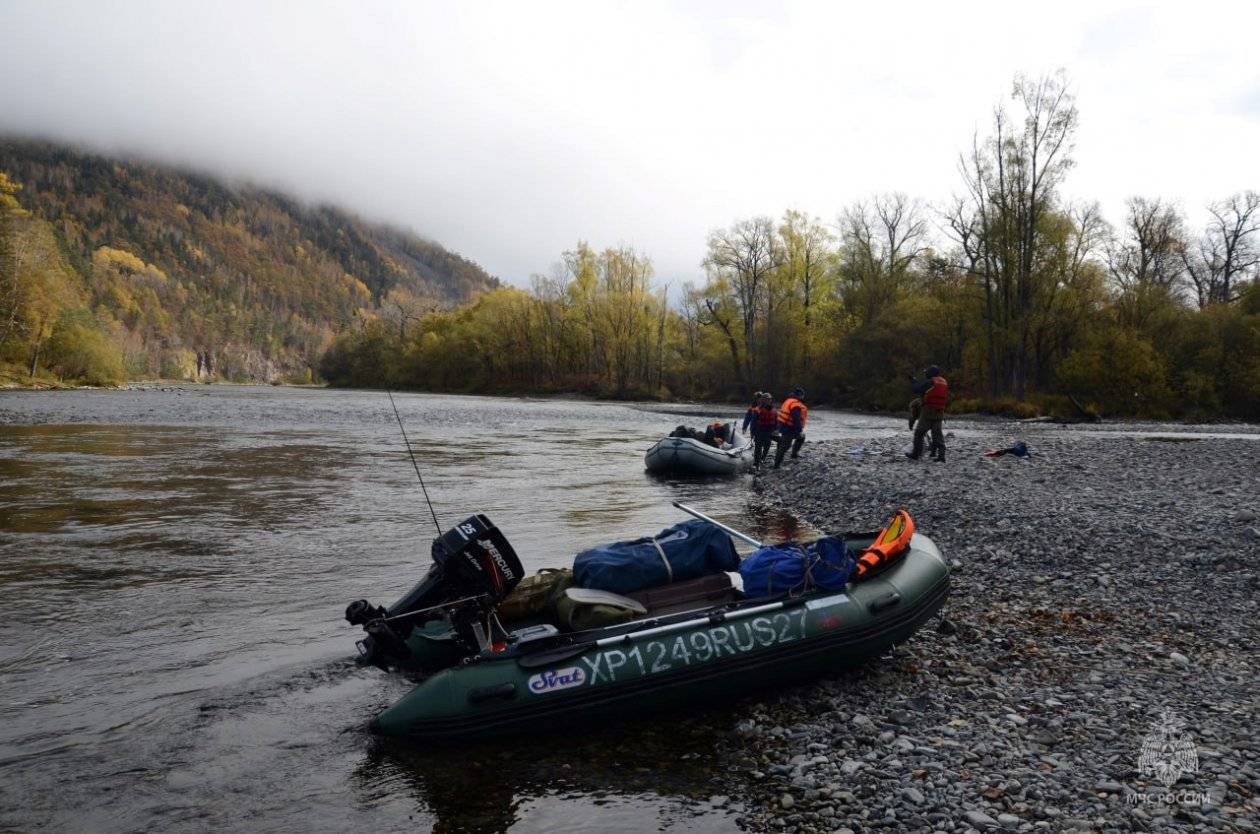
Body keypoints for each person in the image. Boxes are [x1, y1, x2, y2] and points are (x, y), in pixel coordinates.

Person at [907, 366, 947, 462]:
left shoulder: (930, 382)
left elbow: (916, 389)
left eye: (927, 372)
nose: (925, 374)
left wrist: (913, 381)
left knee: (919, 432)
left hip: (929, 411)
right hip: (940, 412)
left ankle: (915, 454)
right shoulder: (943, 382)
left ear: (931, 374)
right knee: (937, 434)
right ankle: (941, 456)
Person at [773, 387, 808, 468]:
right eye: (802, 395)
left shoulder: (789, 400)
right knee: (785, 446)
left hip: (785, 426)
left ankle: (794, 454)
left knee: (801, 438)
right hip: (789, 428)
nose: (803, 397)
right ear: (800, 395)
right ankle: (776, 465)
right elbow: (796, 419)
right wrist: (799, 430)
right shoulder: (795, 404)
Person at [743, 391, 778, 467]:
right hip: (759, 431)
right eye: (765, 399)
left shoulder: (773, 410)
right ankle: (756, 463)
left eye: (769, 399)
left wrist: (776, 430)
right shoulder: (755, 409)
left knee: (767, 444)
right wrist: (748, 429)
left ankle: (763, 458)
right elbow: (750, 420)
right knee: (758, 447)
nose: (767, 401)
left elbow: (776, 421)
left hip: (769, 431)